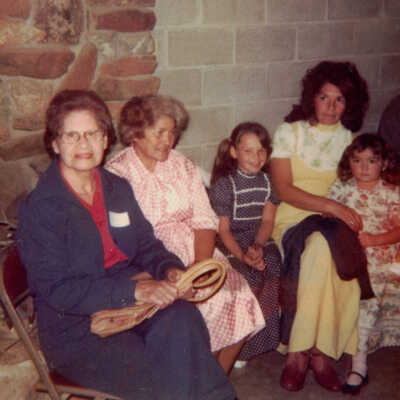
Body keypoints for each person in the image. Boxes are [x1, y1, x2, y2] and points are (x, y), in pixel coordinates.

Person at [16, 89, 236, 400]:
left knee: (184, 319)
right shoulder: (42, 208)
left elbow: (146, 244)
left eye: (92, 134)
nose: (84, 144)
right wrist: (136, 290)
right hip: (80, 328)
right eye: (72, 136)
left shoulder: (116, 188)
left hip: (132, 307)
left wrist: (170, 269)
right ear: (54, 143)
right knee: (165, 374)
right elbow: (57, 290)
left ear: (105, 139)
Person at [106, 95, 265, 374]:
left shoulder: (182, 165)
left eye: (172, 132)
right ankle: (198, 381)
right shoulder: (117, 173)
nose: (168, 141)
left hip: (197, 250)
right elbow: (121, 241)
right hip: (150, 259)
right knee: (206, 306)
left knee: (239, 294)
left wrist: (200, 265)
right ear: (135, 133)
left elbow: (204, 219)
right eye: (159, 132)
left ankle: (217, 380)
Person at [270, 60, 370, 392]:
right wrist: (331, 206)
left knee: (328, 251)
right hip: (293, 218)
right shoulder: (289, 133)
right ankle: (307, 353)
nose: (330, 107)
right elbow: (283, 189)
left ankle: (313, 352)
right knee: (320, 250)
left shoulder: (350, 141)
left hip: (331, 223)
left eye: (339, 99)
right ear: (312, 97)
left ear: (349, 104)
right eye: (324, 97)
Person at [327, 134, 400, 395]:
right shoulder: (342, 187)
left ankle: (359, 363)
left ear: (384, 163)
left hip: (382, 253)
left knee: (368, 294)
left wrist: (375, 240)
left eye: (372, 161)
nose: (364, 167)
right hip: (349, 253)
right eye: (357, 161)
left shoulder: (391, 192)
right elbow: (326, 212)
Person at [209, 122, 281, 364]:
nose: (256, 157)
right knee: (247, 276)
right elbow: (223, 230)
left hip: (257, 237)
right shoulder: (225, 185)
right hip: (230, 241)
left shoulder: (270, 183)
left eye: (261, 151)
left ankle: (262, 340)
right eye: (248, 151)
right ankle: (238, 346)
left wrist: (258, 247)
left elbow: (267, 221)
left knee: (272, 263)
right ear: (233, 152)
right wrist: (243, 256)